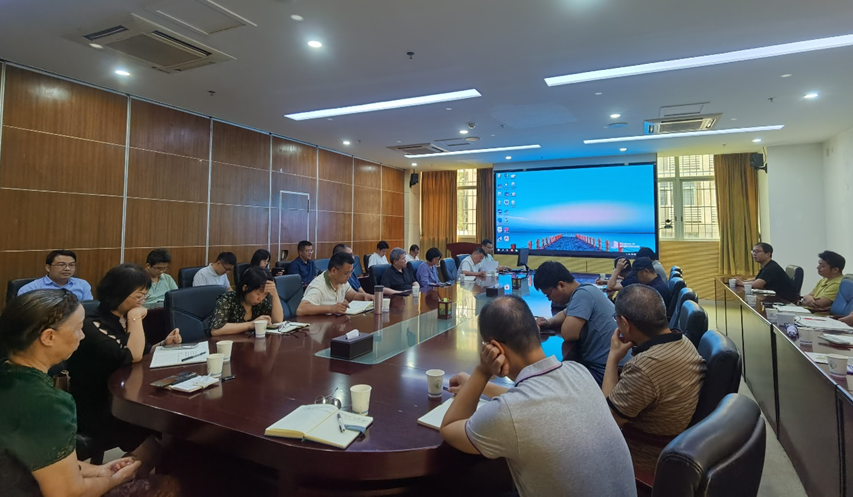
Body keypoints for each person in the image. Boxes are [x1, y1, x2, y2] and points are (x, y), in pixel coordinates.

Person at [440, 295, 636, 497]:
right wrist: (480, 387)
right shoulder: (578, 371)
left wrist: (481, 372)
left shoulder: (509, 413)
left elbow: (449, 427)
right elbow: (534, 400)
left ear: (495, 349)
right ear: (536, 328)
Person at [0, 290, 179, 497]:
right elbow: (68, 493)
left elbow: (37, 457)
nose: (83, 335)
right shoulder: (48, 403)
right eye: (78, 329)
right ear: (49, 337)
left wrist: (98, 471)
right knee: (169, 486)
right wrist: (115, 479)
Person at [66, 264, 181, 454]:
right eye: (138, 296)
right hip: (100, 404)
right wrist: (135, 317)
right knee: (160, 433)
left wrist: (163, 344)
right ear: (118, 293)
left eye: (144, 296)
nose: (142, 301)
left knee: (170, 428)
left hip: (126, 394)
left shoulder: (121, 317)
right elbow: (132, 355)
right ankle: (134, 469)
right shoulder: (92, 325)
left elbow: (142, 350)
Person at [603, 284, 706, 473]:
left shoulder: (645, 367)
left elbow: (607, 422)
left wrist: (612, 357)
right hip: (675, 445)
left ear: (625, 323)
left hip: (642, 458)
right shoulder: (683, 340)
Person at [533, 261, 630, 384]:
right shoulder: (587, 290)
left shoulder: (582, 295)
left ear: (561, 285)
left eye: (548, 294)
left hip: (609, 371)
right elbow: (565, 313)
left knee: (550, 381)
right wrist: (549, 322)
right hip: (611, 365)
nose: (549, 299)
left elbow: (569, 334)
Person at [209, 266, 284, 336]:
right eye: (258, 294)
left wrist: (274, 294)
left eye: (265, 294)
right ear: (245, 288)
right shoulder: (227, 300)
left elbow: (277, 321)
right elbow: (215, 330)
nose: (261, 298)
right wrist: (250, 325)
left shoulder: (261, 303)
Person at [297, 252, 372, 316]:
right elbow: (301, 309)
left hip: (334, 323)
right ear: (334, 271)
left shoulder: (341, 281)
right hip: (319, 326)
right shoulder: (319, 286)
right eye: (346, 273)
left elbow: (352, 296)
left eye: (351, 272)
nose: (349, 276)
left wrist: (365, 296)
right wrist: (331, 308)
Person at [18, 250, 93, 301]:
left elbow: (89, 309)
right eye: (61, 265)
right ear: (48, 268)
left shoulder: (83, 285)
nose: (67, 269)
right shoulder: (30, 289)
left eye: (71, 265)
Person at [606, 257, 671, 304]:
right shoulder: (654, 285)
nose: (636, 278)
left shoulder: (657, 290)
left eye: (636, 275)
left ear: (646, 271)